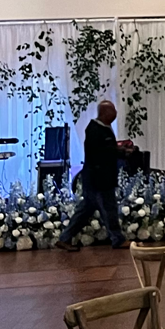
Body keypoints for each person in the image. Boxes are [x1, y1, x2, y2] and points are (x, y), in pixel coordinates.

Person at [57, 100, 133, 248]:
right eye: (113, 111)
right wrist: (121, 151)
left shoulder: (103, 128)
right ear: (105, 113)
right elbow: (101, 152)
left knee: (85, 211)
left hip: (97, 179)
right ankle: (118, 239)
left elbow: (107, 149)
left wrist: (120, 150)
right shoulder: (94, 129)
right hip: (99, 179)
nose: (116, 113)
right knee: (109, 209)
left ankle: (64, 238)